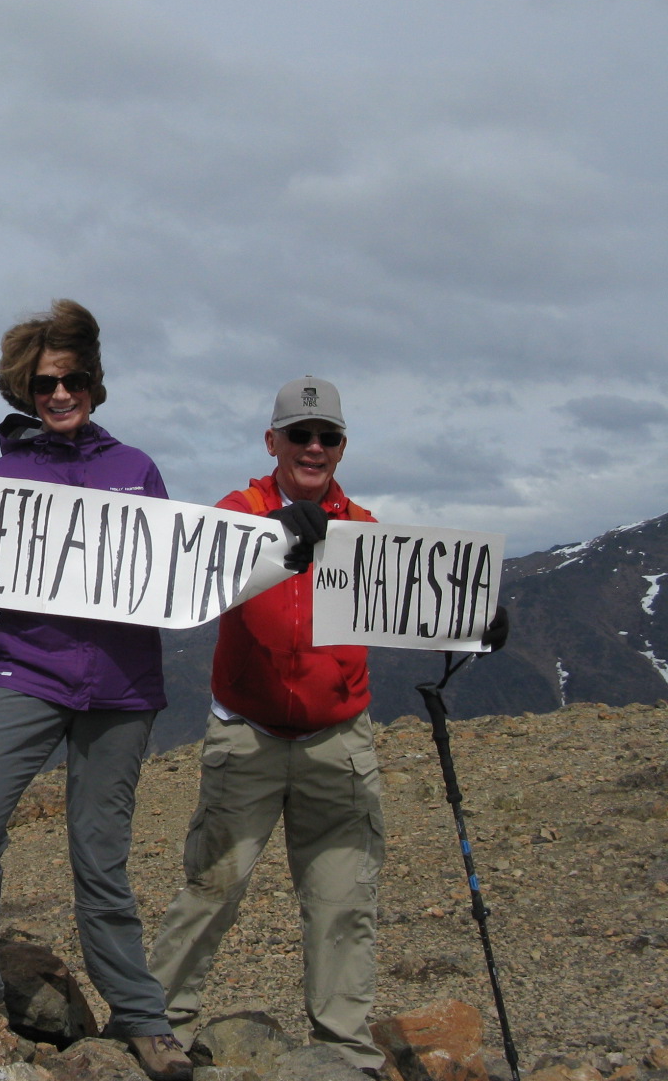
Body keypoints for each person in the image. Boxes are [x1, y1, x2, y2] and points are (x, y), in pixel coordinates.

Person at [146, 375, 507, 1077]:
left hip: (337, 741)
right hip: (247, 735)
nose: (313, 447)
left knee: (343, 899)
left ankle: (344, 1052)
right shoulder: (237, 514)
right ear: (272, 441)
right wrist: (275, 536)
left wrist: (475, 621)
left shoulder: (365, 533)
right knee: (212, 886)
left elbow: (412, 604)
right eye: (299, 435)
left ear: (342, 447)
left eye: (327, 436)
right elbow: (191, 572)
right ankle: (160, 1026)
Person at [0, 299, 192, 1081]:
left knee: (101, 859)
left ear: (94, 382)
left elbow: (177, 576)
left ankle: (142, 1017)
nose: (60, 394)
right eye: (43, 384)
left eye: (72, 380)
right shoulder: (0, 479)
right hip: (28, 672)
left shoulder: (137, 470)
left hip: (123, 687)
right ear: (23, 392)